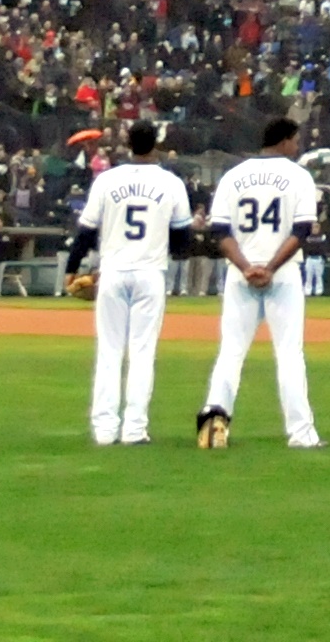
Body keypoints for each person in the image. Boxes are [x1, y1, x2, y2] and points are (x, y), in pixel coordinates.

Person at [68, 120, 194, 449]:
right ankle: (134, 429)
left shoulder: (107, 179)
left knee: (109, 352)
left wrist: (71, 268)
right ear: (156, 144)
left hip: (112, 272)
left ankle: (105, 430)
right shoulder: (171, 183)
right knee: (142, 353)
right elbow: (182, 244)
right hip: (150, 275)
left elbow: (85, 232)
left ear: (127, 143)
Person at [199, 116, 323, 450]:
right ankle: (301, 433)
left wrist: (246, 267)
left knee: (231, 353)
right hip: (282, 274)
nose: (297, 148)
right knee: (289, 355)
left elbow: (219, 231)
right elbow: (301, 231)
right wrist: (268, 268)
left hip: (240, 275)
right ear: (284, 141)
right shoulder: (299, 176)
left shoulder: (233, 176)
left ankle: (212, 424)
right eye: (295, 142)